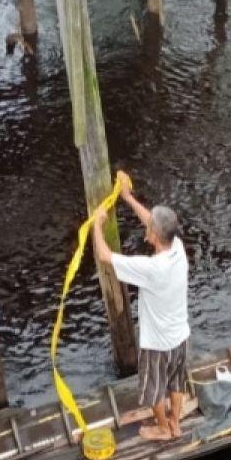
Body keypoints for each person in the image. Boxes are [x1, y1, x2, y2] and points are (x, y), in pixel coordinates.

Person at [92, 173, 190, 441]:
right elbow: (152, 220)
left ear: (155, 236)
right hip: (180, 336)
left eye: (149, 229)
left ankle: (162, 428)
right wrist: (127, 198)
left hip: (157, 343)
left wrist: (96, 226)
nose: (145, 228)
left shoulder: (150, 269)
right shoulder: (178, 249)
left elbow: (104, 255)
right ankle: (176, 423)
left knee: (154, 389)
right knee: (176, 380)